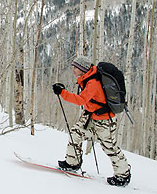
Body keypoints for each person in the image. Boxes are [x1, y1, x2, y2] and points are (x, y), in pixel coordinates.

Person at [52, 55, 131, 187]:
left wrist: (62, 93)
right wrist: (63, 90)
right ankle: (72, 162)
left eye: (75, 67)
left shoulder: (92, 82)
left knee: (110, 147)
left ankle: (123, 175)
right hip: (91, 117)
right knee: (75, 134)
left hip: (105, 121)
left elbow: (81, 100)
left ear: (82, 69)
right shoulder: (88, 78)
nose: (72, 69)